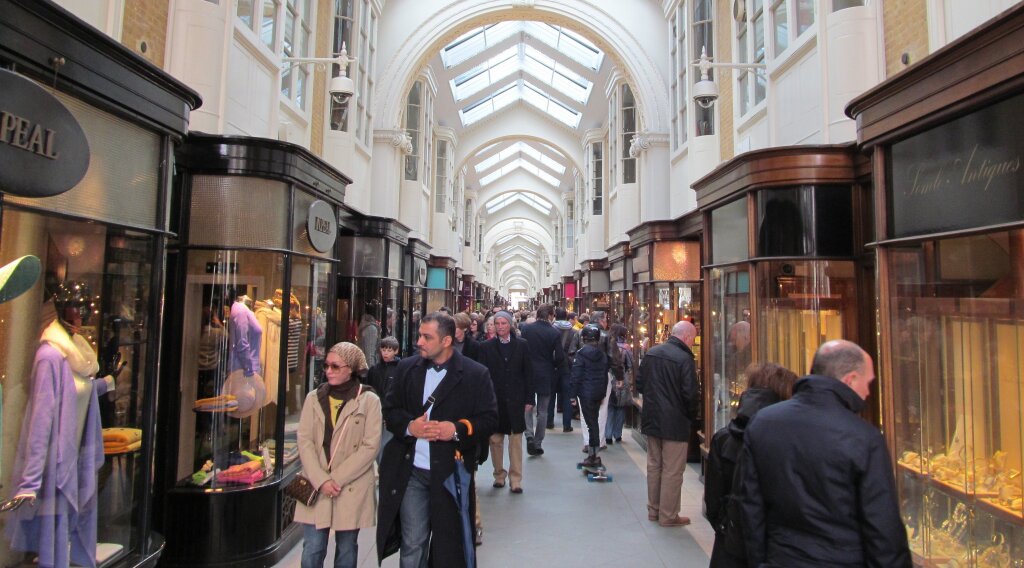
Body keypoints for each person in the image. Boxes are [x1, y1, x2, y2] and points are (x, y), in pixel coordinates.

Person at [737, 340, 912, 567]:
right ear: (850, 380)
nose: (868, 392)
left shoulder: (764, 423)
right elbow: (882, 526)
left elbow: (751, 506)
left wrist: (760, 561)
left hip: (781, 557)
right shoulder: (863, 438)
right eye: (868, 383)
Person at [376, 312, 497, 568]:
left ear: (446, 341)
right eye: (420, 335)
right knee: (413, 542)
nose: (419, 341)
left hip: (450, 475)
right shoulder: (407, 369)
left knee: (448, 545)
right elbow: (391, 409)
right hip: (412, 473)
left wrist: (455, 430)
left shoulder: (476, 375)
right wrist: (410, 427)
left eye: (426, 337)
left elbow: (488, 419)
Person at [295, 342, 381, 568]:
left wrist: (337, 479)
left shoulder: (369, 400)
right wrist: (322, 480)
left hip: (350, 485)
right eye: (326, 366)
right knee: (312, 548)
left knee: (346, 547)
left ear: (351, 368)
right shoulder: (314, 398)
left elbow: (370, 446)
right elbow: (304, 441)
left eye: (335, 366)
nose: (328, 371)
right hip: (316, 483)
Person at [704, 362, 797, 568]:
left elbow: (712, 503)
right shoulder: (793, 439)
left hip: (731, 547)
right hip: (779, 549)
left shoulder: (724, 438)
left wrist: (728, 527)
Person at [636, 320, 698, 527]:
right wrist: (691, 417)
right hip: (675, 422)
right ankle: (668, 514)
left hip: (652, 418)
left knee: (654, 465)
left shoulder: (652, 353)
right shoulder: (685, 359)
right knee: (672, 469)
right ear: (687, 337)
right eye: (693, 338)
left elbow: (639, 383)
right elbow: (690, 394)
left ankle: (653, 510)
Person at [476, 310, 533, 493]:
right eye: (497, 324)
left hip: (515, 399)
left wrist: (529, 398)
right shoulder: (486, 347)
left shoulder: (522, 346)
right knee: (495, 439)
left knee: (516, 440)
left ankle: (516, 479)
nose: (500, 327)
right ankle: (499, 474)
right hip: (495, 399)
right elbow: (482, 375)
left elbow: (528, 373)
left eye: (504, 323)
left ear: (510, 325)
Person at [518, 304, 567, 456]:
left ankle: (529, 435)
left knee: (527, 406)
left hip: (527, 373)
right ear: (551, 315)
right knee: (543, 410)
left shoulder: (526, 329)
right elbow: (559, 357)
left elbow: (521, 349)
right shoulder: (554, 333)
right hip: (546, 373)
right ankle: (538, 442)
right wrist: (553, 365)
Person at [580, 311, 623, 450]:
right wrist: (619, 377)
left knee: (584, 410)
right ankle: (599, 440)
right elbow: (614, 358)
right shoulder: (607, 336)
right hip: (602, 376)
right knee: (602, 409)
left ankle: (588, 441)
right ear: (600, 321)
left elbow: (571, 354)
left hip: (583, 375)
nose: (607, 322)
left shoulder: (580, 333)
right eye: (606, 319)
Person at [571, 325, 607, 469]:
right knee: (594, 422)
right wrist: (603, 392)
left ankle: (593, 455)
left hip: (586, 392)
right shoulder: (602, 354)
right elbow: (604, 374)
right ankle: (593, 453)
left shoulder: (581, 354)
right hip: (597, 392)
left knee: (591, 423)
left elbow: (576, 375)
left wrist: (572, 395)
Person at [550, 307, 580, 432]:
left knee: (550, 395)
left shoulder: (551, 330)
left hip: (552, 366)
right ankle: (567, 425)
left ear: (555, 315)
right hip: (568, 367)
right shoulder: (574, 332)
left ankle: (549, 421)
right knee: (567, 396)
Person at [605, 323, 633, 445]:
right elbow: (630, 364)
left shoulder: (608, 343)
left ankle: (608, 434)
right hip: (622, 377)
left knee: (610, 406)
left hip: (609, 376)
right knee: (621, 407)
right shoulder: (626, 347)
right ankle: (618, 434)